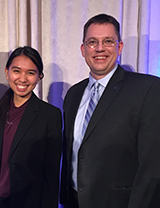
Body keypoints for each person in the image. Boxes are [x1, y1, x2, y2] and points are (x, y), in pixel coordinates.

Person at [60, 13, 160, 208]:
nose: (99, 48)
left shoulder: (147, 89)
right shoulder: (73, 94)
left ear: (119, 47)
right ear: (83, 49)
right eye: (92, 42)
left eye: (108, 41)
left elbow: (152, 165)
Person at [0, 46, 62, 208]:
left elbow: (51, 175)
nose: (22, 78)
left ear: (39, 77)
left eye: (30, 73)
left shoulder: (50, 115)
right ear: (7, 72)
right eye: (17, 71)